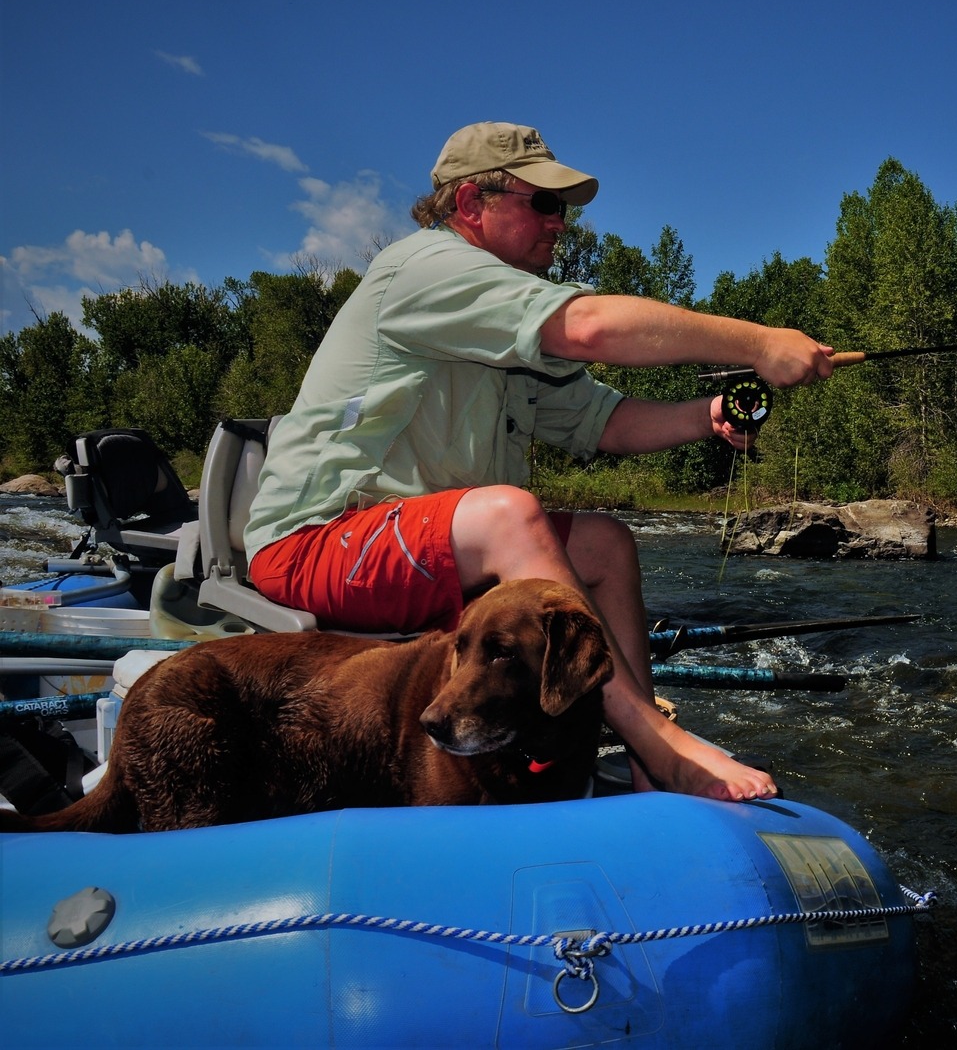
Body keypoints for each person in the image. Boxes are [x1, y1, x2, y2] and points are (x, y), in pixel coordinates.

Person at [243, 121, 834, 802]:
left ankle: (646, 773)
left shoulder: (500, 320)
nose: (561, 224)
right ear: (471, 205)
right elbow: (587, 327)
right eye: (543, 204)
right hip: (314, 540)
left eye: (565, 209)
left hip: (428, 550)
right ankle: (658, 743)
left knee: (606, 545)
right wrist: (759, 341)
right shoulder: (423, 270)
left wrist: (707, 416)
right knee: (511, 514)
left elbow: (605, 422)